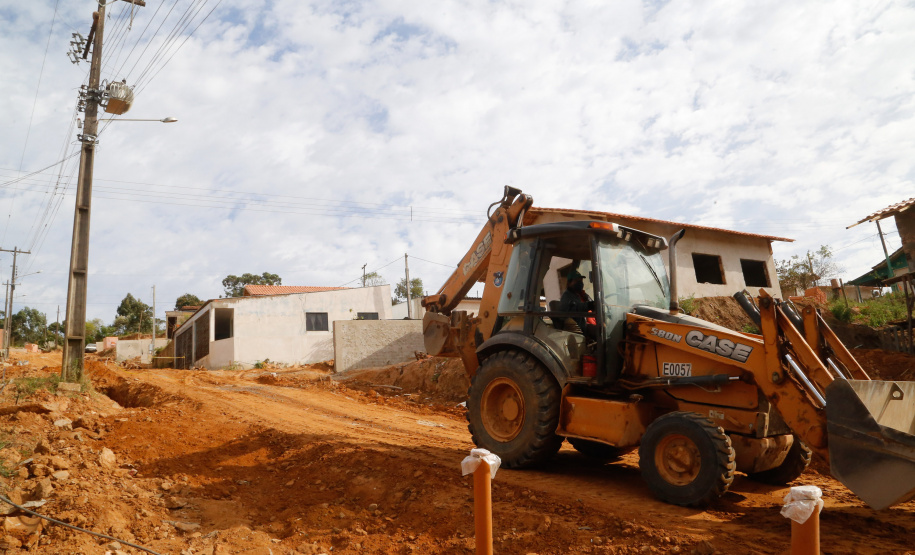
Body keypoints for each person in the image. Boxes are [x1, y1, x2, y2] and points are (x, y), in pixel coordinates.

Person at [559, 269, 595, 334]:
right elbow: (576, 307)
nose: (580, 283)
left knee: (600, 329)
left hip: (583, 326)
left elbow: (591, 302)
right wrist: (589, 305)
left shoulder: (579, 294)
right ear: (569, 283)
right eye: (576, 281)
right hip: (575, 331)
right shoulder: (566, 297)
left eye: (581, 280)